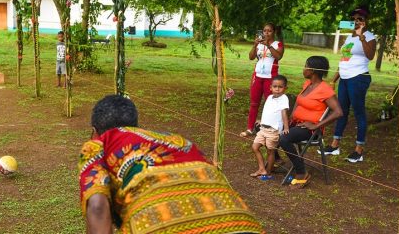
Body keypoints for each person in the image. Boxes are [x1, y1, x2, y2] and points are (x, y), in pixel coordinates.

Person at [79, 95, 263, 233]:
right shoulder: (180, 142)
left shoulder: (98, 144)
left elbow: (97, 205)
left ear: (94, 132)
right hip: (242, 225)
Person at [322, 6, 376, 163]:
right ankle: (335, 145)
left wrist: (362, 37)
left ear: (366, 21)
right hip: (345, 78)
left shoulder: (369, 36)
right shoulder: (349, 38)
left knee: (359, 113)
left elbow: (371, 55)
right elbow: (344, 59)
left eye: (360, 18)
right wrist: (334, 79)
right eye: (354, 18)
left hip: (358, 78)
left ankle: (359, 150)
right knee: (341, 111)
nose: (356, 20)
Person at [279, 56, 342, 189]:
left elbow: (338, 112)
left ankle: (302, 173)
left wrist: (315, 125)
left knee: (284, 138)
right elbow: (298, 100)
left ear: (312, 70)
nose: (303, 69)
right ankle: (276, 160)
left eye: (305, 66)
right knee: (268, 129)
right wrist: (291, 117)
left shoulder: (325, 89)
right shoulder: (308, 84)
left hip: (310, 129)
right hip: (297, 123)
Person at [241, 23, 285, 137]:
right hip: (258, 76)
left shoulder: (278, 44)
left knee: (270, 103)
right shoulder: (259, 45)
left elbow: (278, 56)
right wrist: (255, 45)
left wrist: (269, 46)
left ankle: (269, 128)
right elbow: (251, 57)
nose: (266, 33)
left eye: (269, 31)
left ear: (274, 32)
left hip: (271, 78)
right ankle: (250, 128)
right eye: (264, 30)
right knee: (254, 103)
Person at [250, 75, 289, 180]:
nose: (277, 89)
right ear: (270, 87)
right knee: (255, 147)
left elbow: (284, 113)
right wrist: (262, 121)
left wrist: (286, 127)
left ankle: (268, 172)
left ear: (285, 88)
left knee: (270, 151)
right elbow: (268, 111)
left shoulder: (284, 98)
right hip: (263, 129)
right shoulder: (269, 97)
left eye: (280, 87)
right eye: (275, 86)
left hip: (273, 130)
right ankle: (262, 168)